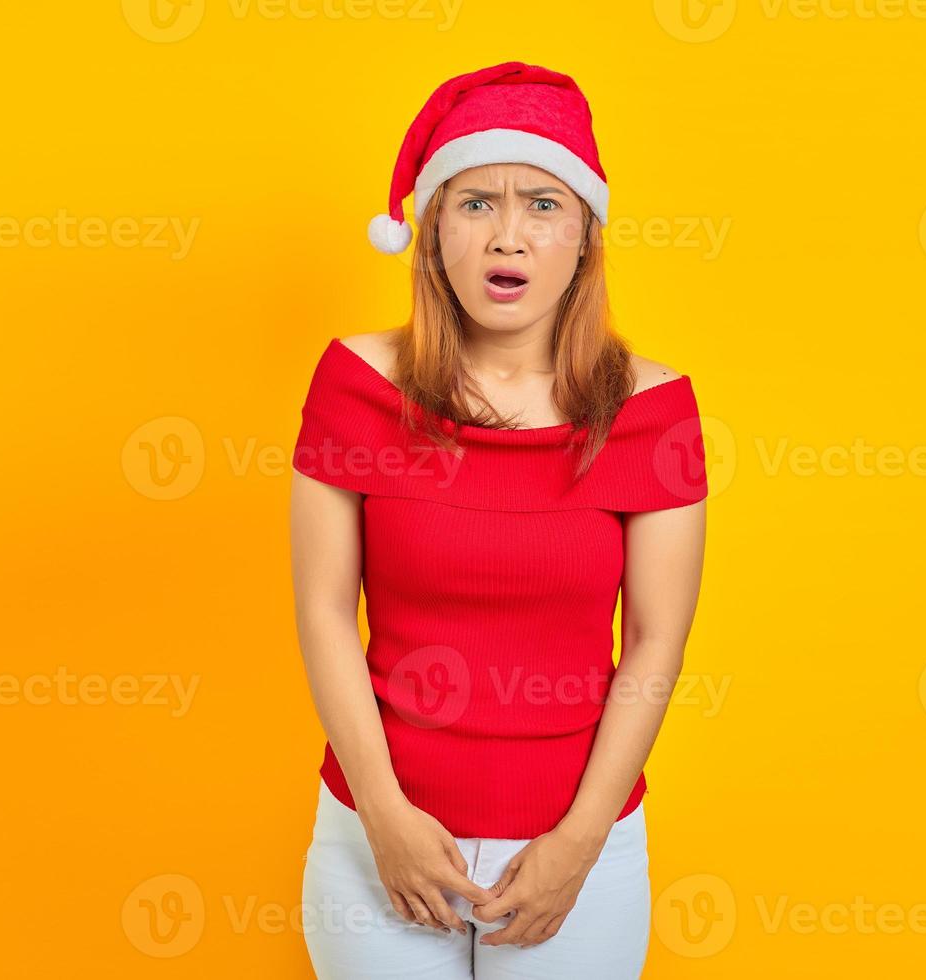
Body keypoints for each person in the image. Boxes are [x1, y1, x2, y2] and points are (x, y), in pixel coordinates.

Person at [290, 60, 709, 979]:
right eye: (475, 203)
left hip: (576, 849)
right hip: (380, 841)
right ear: (431, 228)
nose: (508, 237)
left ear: (587, 237)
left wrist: (577, 846)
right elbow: (322, 611)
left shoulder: (655, 410)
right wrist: (385, 819)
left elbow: (653, 642)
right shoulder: (355, 386)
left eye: (543, 205)